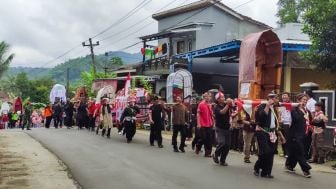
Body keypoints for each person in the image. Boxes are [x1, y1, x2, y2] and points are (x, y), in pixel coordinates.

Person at [254, 93, 280, 178]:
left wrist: (280, 135)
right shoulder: (262, 106)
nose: (277, 100)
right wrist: (268, 105)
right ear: (270, 99)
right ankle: (257, 168)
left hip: (272, 132)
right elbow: (261, 117)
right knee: (266, 151)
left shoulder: (275, 108)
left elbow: (276, 123)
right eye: (276, 98)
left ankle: (266, 172)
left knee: (271, 153)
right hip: (262, 132)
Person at [286, 93, 312, 178]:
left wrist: (321, 121)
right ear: (298, 100)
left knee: (295, 151)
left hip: (304, 134)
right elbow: (296, 118)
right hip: (294, 135)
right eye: (303, 100)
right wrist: (300, 109)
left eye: (306, 100)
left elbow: (310, 121)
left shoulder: (306, 110)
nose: (305, 101)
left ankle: (289, 165)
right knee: (300, 152)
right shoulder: (294, 110)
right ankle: (306, 170)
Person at [213, 92, 232, 166]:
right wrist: (227, 104)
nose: (224, 98)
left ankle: (222, 160)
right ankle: (216, 154)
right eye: (221, 97)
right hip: (220, 128)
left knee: (227, 146)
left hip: (227, 128)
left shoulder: (226, 105)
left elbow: (234, 107)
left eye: (224, 97)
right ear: (218, 100)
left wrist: (231, 102)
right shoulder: (216, 107)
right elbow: (222, 112)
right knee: (222, 143)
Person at [196, 92, 214, 157]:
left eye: (209, 96)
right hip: (202, 124)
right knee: (203, 138)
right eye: (206, 96)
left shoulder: (210, 105)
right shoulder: (201, 104)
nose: (208, 97)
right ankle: (198, 146)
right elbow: (198, 114)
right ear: (204, 97)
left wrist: (213, 122)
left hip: (210, 124)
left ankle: (208, 153)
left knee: (209, 139)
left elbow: (211, 115)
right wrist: (198, 123)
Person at [279, 92, 292, 157]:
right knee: (282, 138)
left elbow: (291, 115)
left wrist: (290, 122)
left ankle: (288, 153)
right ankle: (284, 152)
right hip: (281, 123)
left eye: (285, 96)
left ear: (288, 97)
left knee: (287, 138)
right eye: (283, 96)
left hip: (287, 123)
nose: (284, 97)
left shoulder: (290, 104)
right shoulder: (280, 104)